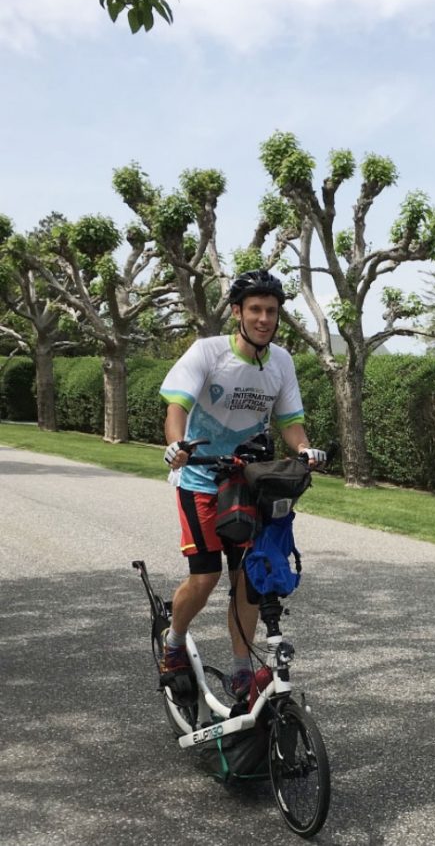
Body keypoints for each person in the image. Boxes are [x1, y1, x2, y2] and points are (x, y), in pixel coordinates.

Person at [158, 269, 325, 696]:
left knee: (248, 579)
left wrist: (305, 449)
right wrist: (177, 445)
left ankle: (240, 670)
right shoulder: (208, 353)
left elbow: (291, 424)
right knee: (205, 576)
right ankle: (174, 640)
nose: (264, 318)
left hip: (245, 482)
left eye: (271, 311)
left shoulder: (281, 362)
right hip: (198, 479)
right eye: (255, 309)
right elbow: (176, 408)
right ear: (237, 312)